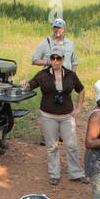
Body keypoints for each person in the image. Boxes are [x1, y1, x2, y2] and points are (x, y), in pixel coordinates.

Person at [18, 52, 86, 186]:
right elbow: (31, 84)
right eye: (53, 58)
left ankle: (76, 174)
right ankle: (54, 174)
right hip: (48, 116)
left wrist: (78, 108)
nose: (55, 61)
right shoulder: (43, 75)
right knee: (51, 146)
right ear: (49, 59)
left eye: (58, 58)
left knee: (71, 145)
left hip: (66, 116)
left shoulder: (70, 75)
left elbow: (81, 89)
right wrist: (24, 84)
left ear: (63, 59)